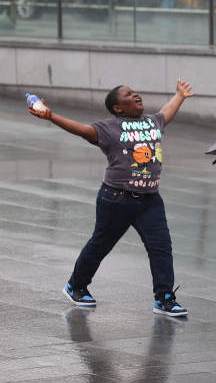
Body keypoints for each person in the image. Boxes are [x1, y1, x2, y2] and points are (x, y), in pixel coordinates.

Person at [28, 80, 194, 317]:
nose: (136, 94)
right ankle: (75, 286)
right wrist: (51, 116)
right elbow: (81, 129)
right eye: (128, 94)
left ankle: (164, 298)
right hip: (116, 198)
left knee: (161, 248)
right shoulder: (109, 128)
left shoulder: (152, 121)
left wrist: (179, 95)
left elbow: (167, 111)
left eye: (135, 91)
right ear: (118, 108)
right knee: (101, 245)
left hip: (150, 201)